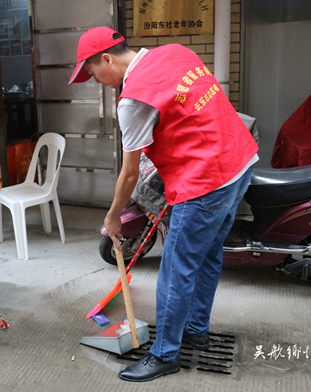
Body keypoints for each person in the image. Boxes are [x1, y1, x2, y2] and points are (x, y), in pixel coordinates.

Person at [69, 27, 259, 382]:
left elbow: (128, 176)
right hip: (241, 163)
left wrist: (113, 219)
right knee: (208, 256)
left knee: (175, 269)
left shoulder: (133, 100)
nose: (101, 83)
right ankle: (196, 330)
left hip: (206, 182)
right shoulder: (174, 52)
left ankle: (165, 354)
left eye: (95, 74)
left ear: (107, 58)